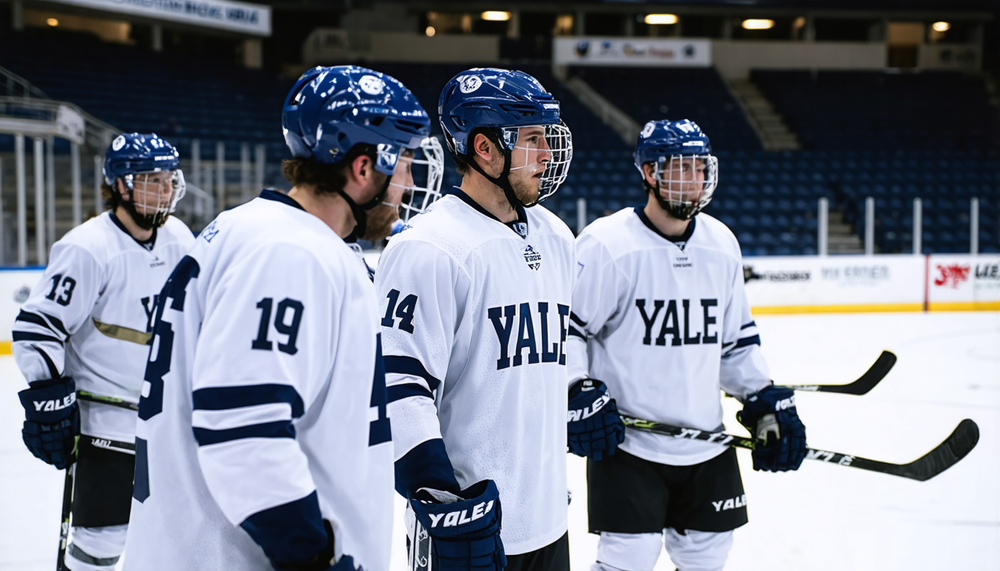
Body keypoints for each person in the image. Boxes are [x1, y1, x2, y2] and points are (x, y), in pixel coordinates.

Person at [122, 65, 430, 571]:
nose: (411, 184)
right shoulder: (291, 254)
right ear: (363, 167)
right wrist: (311, 556)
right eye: (406, 164)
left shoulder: (251, 231)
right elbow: (243, 426)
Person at [375, 68, 617, 571]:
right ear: (484, 148)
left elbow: (561, 339)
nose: (548, 154)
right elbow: (396, 386)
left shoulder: (555, 235)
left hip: (548, 518)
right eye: (533, 139)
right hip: (466, 529)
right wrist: (443, 501)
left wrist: (577, 387)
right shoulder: (429, 248)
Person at [568, 119, 808, 571]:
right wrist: (576, 390)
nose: (694, 180)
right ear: (650, 173)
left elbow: (735, 341)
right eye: (681, 168)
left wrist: (761, 397)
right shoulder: (608, 244)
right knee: (629, 559)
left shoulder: (721, 244)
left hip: (707, 441)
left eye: (700, 168)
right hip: (630, 443)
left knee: (708, 557)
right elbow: (570, 331)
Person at [12, 132, 194, 571]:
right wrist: (49, 400)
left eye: (170, 179)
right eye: (152, 179)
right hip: (105, 424)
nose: (165, 189)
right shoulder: (88, 247)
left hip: (167, 424)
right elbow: (37, 327)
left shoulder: (180, 237)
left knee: (176, 540)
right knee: (99, 545)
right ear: (121, 185)